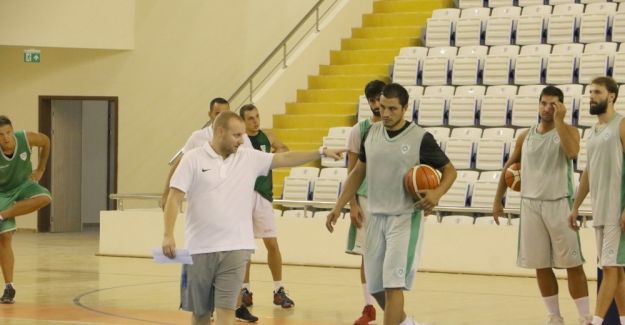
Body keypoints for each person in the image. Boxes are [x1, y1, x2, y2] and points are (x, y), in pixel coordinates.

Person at [162, 111, 343, 325]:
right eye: (237, 135)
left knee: (227, 309)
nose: (242, 140)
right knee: (201, 313)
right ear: (220, 132)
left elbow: (284, 158)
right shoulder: (193, 159)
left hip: (237, 248)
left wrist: (320, 152)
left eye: (243, 135)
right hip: (200, 249)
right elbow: (174, 198)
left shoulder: (249, 157)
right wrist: (168, 235)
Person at [326, 83, 457, 325]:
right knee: (376, 288)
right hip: (375, 217)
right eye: (383, 107)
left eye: (392, 109)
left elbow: (449, 171)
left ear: (405, 108)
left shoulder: (420, 138)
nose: (385, 113)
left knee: (393, 285)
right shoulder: (372, 133)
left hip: (404, 219)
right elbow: (358, 173)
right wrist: (339, 206)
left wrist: (436, 193)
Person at [492, 86, 591, 325]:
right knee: (540, 264)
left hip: (559, 203)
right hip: (530, 205)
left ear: (561, 106)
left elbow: (572, 152)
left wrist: (560, 120)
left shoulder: (570, 132)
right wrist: (498, 199)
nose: (547, 108)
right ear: (538, 104)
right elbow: (510, 167)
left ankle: (585, 317)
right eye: (544, 103)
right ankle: (554, 316)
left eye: (553, 104)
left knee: (573, 264)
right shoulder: (526, 136)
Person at [569, 76, 625, 325]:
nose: (591, 96)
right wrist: (576, 206)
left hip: (616, 209)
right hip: (600, 209)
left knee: (610, 268)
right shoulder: (592, 132)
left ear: (611, 96)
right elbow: (588, 173)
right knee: (617, 269)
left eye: (597, 92)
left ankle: (597, 321)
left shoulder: (621, 125)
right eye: (590, 92)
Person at [238, 104, 295, 309]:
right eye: (250, 118)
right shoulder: (240, 141)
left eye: (257, 116)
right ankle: (244, 289)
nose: (255, 121)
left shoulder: (267, 137)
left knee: (271, 243)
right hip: (243, 197)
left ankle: (279, 289)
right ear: (243, 121)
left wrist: (275, 155)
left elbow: (284, 150)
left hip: (263, 196)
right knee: (244, 247)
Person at [344, 80, 385, 325]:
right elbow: (351, 171)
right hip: (365, 198)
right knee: (367, 256)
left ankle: (392, 306)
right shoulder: (359, 130)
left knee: (391, 255)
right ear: (369, 102)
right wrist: (352, 204)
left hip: (391, 199)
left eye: (380, 98)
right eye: (373, 100)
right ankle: (369, 307)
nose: (377, 104)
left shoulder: (402, 128)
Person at [0, 116, 51, 304]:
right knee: (4, 237)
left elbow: (46, 142)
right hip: (1, 193)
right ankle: (9, 287)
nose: (6, 138)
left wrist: (40, 169)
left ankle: (2, 215)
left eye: (8, 132)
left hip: (23, 185)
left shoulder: (25, 138)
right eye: (0, 135)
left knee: (45, 197)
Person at [161, 97, 232, 207]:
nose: (221, 118)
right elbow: (179, 164)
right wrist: (166, 193)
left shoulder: (240, 137)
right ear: (210, 114)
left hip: (229, 198)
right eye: (217, 114)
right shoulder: (197, 137)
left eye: (225, 114)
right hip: (202, 201)